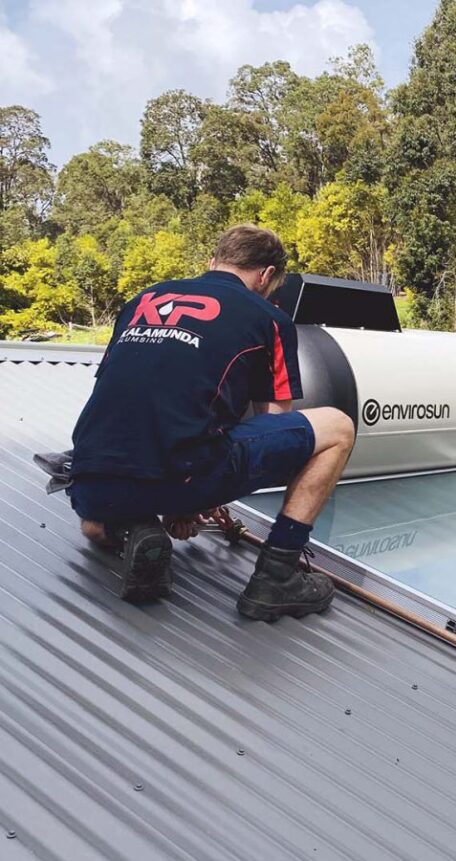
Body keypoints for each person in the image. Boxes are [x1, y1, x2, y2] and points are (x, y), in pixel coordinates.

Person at [67, 225, 355, 621]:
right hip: (182, 474)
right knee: (337, 427)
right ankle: (277, 576)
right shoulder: (268, 317)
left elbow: (131, 397)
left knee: (96, 525)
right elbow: (276, 425)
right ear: (267, 275)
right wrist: (200, 497)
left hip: (90, 484)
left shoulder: (142, 300)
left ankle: (132, 531)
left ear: (213, 261)